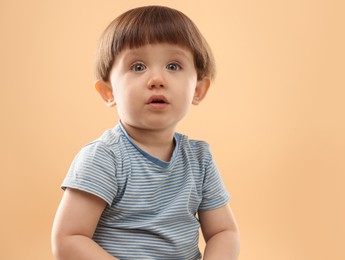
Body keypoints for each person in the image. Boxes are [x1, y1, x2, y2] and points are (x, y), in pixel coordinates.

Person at [51, 5, 240, 260]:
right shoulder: (105, 158)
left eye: (173, 66)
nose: (157, 79)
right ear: (109, 92)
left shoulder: (199, 159)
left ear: (198, 89)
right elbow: (68, 239)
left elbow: (223, 232)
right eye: (138, 67)